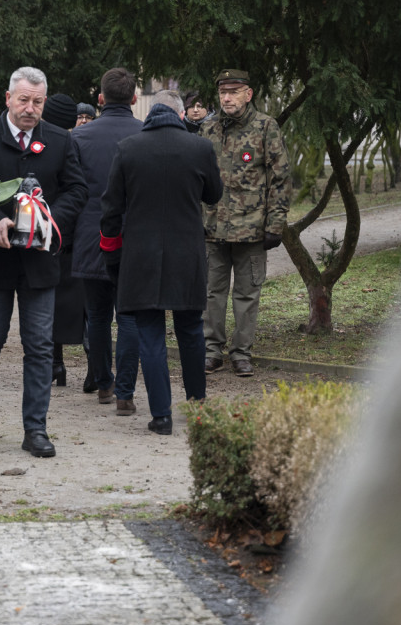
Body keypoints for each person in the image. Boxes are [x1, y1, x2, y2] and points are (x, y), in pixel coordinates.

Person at [0, 66, 88, 458]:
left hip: (41, 260)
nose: (30, 109)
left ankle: (35, 429)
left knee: (40, 345)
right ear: (8, 98)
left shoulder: (61, 141)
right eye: (24, 100)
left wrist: (49, 220)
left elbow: (77, 189)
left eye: (38, 102)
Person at [100, 90, 223, 434]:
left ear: (151, 114)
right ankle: (198, 405)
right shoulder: (200, 148)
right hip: (187, 255)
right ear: (182, 114)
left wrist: (112, 255)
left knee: (150, 334)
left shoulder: (128, 148)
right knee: (191, 329)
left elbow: (110, 210)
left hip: (141, 257)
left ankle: (161, 416)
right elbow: (214, 194)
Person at [198, 68, 289, 378]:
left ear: (248, 94)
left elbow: (280, 179)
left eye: (234, 92)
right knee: (212, 293)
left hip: (252, 230)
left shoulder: (266, 128)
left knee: (247, 295)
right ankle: (212, 351)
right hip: (213, 228)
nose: (227, 98)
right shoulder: (208, 129)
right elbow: (198, 178)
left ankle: (241, 353)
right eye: (223, 92)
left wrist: (275, 225)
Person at [71, 67, 145, 414]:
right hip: (134, 238)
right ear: (133, 98)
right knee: (129, 316)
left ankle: (104, 383)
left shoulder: (79, 138)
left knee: (97, 316)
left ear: (100, 99)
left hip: (91, 237)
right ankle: (125, 391)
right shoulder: (145, 135)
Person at [40, 92, 85, 387]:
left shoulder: (46, 144)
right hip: (77, 232)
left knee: (49, 301)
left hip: (48, 230)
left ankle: (56, 365)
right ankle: (95, 366)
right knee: (82, 302)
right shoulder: (80, 142)